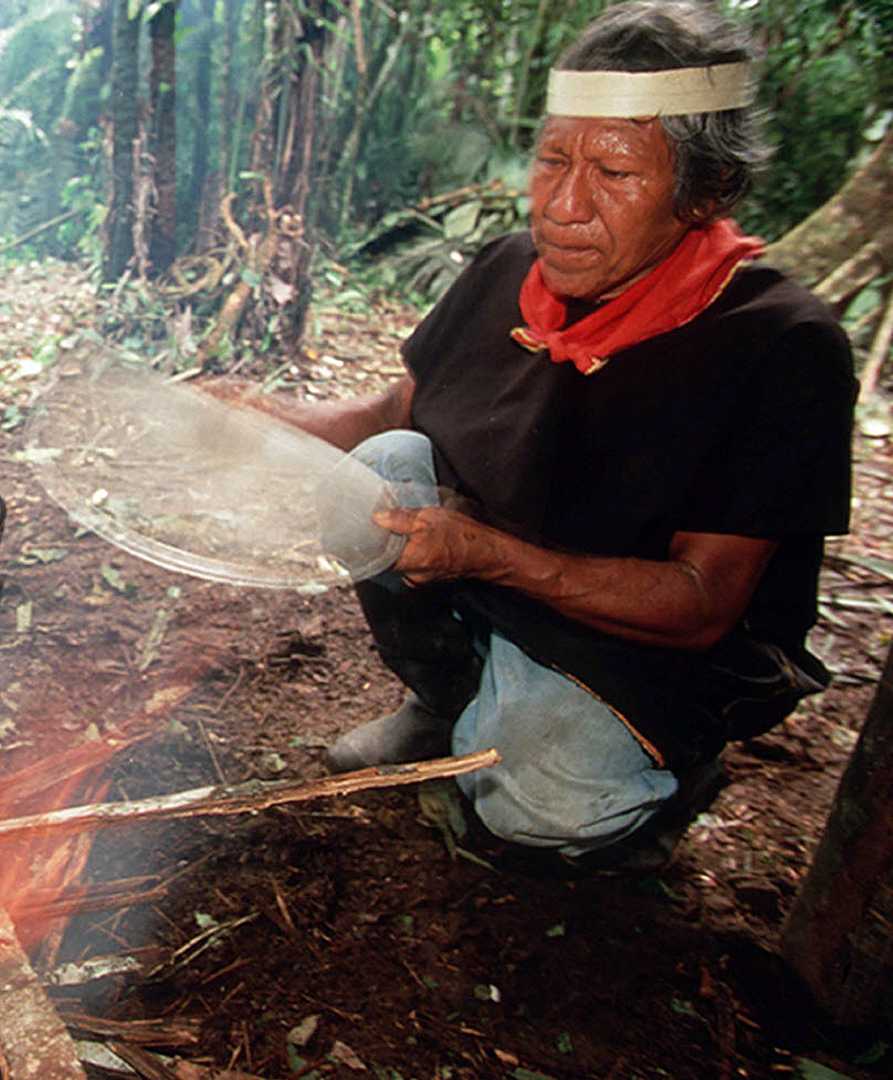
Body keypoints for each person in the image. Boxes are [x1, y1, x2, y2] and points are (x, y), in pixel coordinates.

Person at [261, 0, 856, 869]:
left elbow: (699, 606)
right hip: (501, 574)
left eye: (614, 173)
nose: (563, 206)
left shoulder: (780, 342)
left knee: (532, 811)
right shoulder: (509, 266)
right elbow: (393, 418)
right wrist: (256, 417)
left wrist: (482, 556)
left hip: (652, 651)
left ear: (706, 192)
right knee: (378, 474)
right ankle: (447, 702)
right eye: (551, 160)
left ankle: (659, 781)